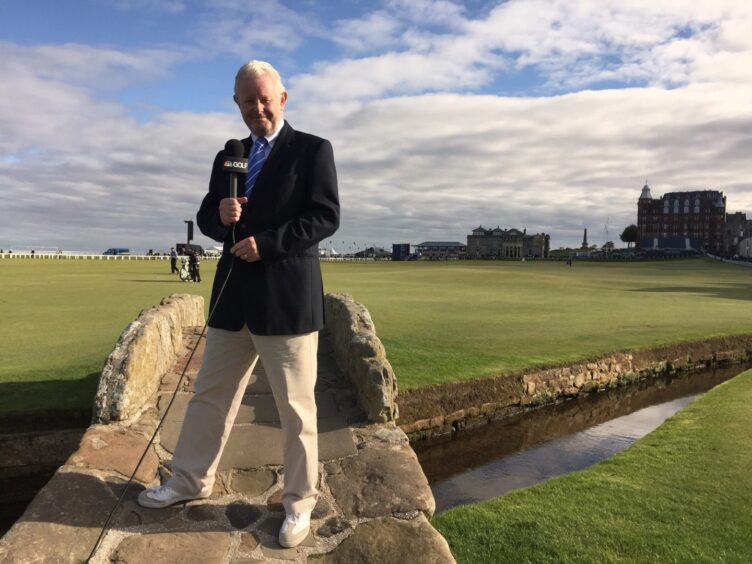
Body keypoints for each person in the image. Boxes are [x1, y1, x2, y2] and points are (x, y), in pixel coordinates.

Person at [138, 60, 340, 549]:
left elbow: (325, 216)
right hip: (233, 301)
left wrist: (267, 243)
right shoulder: (229, 155)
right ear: (237, 105)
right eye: (248, 101)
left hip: (286, 303)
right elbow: (210, 214)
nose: (258, 108)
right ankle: (189, 480)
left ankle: (298, 503)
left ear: (283, 98)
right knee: (210, 395)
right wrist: (219, 216)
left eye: (265, 99)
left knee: (296, 409)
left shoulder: (312, 150)